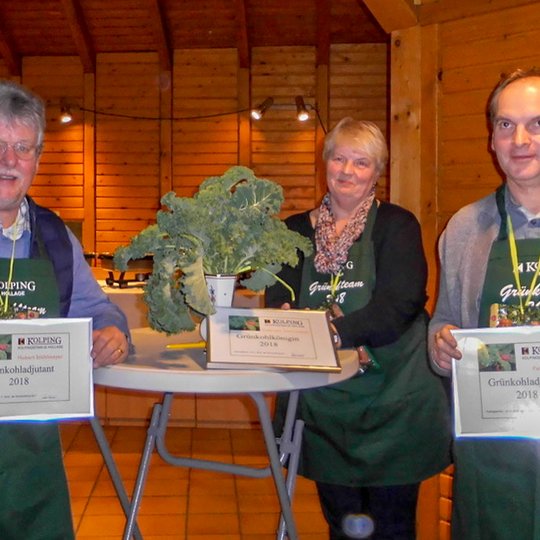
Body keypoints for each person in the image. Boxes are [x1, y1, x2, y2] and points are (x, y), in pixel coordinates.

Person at [266, 117, 452, 540]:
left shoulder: (397, 225)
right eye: (339, 159)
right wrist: (288, 317)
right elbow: (278, 300)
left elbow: (399, 305)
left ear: (377, 172)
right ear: (325, 163)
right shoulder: (293, 231)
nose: (347, 171)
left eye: (361, 163)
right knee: (343, 523)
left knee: (391, 525)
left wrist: (329, 334)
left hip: (394, 400)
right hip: (325, 405)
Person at [0, 79, 129, 539]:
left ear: (37, 158)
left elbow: (97, 308)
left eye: (22, 147)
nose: (8, 161)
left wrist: (114, 332)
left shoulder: (54, 236)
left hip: (33, 456)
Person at [429, 67, 540, 539]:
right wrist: (439, 346)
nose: (521, 139)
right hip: (492, 447)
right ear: (491, 140)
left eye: (537, 124)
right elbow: (445, 320)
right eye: (505, 124)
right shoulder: (464, 228)